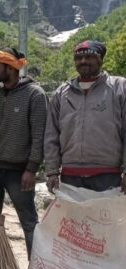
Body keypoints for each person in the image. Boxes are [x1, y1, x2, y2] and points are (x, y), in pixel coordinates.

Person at [0, 48, 46, 253]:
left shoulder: (35, 94)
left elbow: (39, 135)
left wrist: (31, 168)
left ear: (11, 68)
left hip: (18, 170)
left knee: (29, 221)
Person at [45, 40, 126, 193]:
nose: (83, 61)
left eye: (89, 57)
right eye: (78, 58)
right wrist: (52, 171)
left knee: (105, 218)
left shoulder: (119, 87)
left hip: (108, 175)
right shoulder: (61, 93)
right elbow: (51, 136)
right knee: (72, 218)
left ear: (100, 60)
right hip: (70, 176)